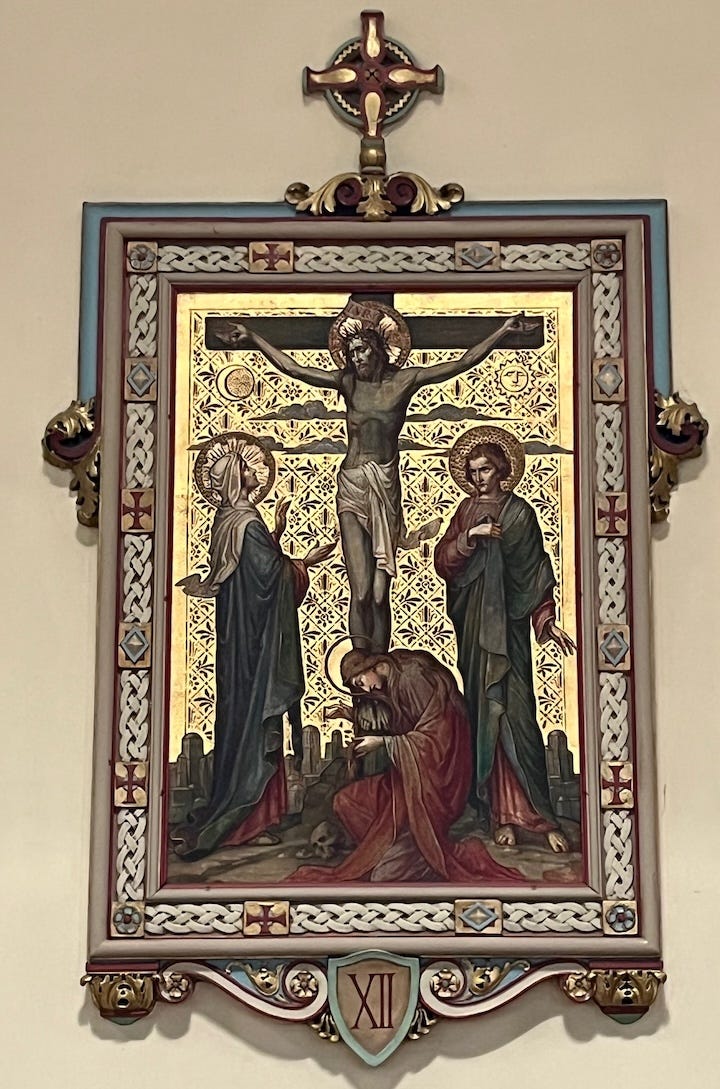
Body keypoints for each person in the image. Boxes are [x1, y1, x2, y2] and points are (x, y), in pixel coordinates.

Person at [219, 302, 528, 653]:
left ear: (378, 350)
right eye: (351, 353)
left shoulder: (404, 381)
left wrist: (502, 331)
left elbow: (461, 362)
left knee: (381, 594)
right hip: (353, 485)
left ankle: (381, 666)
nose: (356, 358)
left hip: (385, 486)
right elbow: (294, 368)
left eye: (362, 350)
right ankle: (360, 667)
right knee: (362, 591)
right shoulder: (347, 383)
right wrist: (253, 337)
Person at [173, 435, 336, 860]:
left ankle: (249, 813)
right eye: (245, 468)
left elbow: (250, 572)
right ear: (233, 478)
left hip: (239, 643)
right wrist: (305, 563)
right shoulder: (247, 523)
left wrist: (275, 531)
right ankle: (249, 821)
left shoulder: (228, 521)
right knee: (257, 721)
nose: (254, 472)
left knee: (241, 719)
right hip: (258, 646)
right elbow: (269, 577)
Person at [434, 426, 576, 854]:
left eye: (485, 470)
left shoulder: (520, 515)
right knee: (484, 717)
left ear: (501, 471)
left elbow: (534, 572)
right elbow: (444, 562)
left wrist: (546, 620)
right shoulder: (465, 511)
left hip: (509, 633)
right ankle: (497, 815)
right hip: (475, 632)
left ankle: (539, 815)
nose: (478, 478)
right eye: (473, 472)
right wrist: (469, 538)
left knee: (517, 716)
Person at [290, 647, 521, 884]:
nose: (366, 689)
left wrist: (384, 743)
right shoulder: (393, 678)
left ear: (372, 665)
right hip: (408, 777)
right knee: (346, 801)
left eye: (361, 681)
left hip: (438, 781)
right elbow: (401, 722)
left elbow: (436, 736)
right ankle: (391, 846)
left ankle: (413, 850)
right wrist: (352, 716)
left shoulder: (412, 677)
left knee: (384, 876)